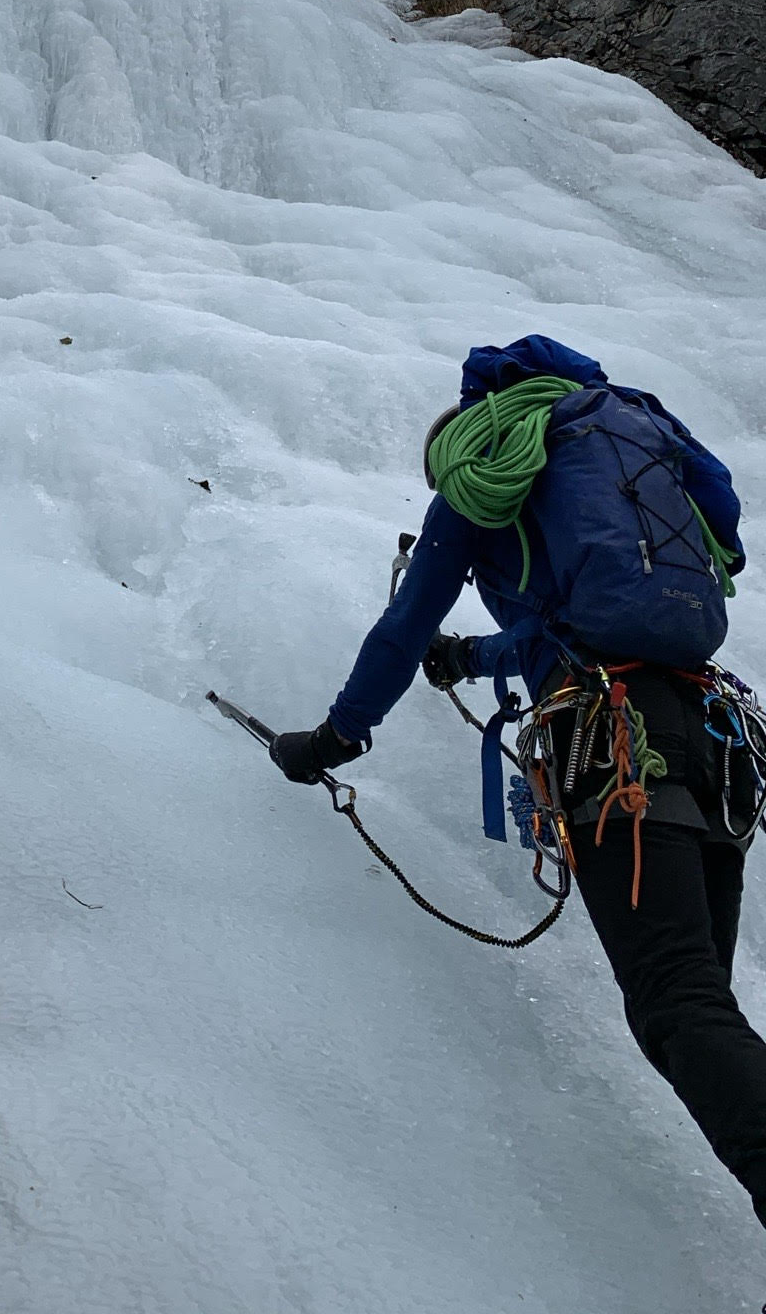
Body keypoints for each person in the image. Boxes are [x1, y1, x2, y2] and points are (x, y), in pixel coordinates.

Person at [269, 334, 766, 1229]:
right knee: (696, 1009)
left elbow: (401, 626)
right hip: (714, 738)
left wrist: (334, 739)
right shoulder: (631, 424)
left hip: (615, 750)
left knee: (677, 1007)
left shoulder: (486, 459)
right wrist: (472, 657)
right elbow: (720, 518)